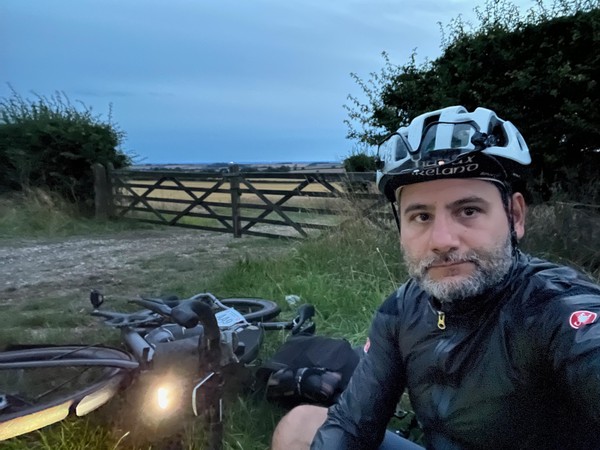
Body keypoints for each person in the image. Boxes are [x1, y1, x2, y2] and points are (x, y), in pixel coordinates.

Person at [270, 105, 600, 450]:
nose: (442, 240)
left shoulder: (553, 308)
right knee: (300, 426)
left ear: (514, 216)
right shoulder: (402, 311)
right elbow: (353, 423)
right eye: (422, 217)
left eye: (468, 210)